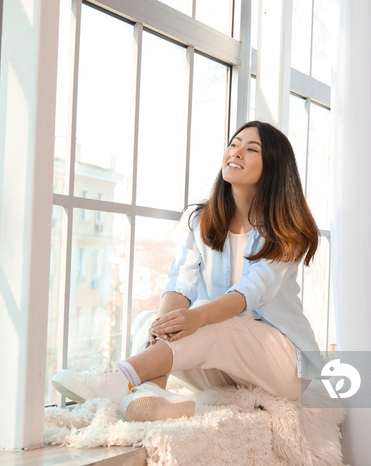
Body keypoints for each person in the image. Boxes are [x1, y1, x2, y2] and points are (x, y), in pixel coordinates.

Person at [52, 120, 326, 422]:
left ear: (273, 166)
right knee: (148, 321)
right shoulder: (199, 218)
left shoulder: (287, 228)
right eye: (233, 144)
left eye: (251, 149)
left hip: (284, 368)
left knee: (210, 315)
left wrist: (196, 317)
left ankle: (122, 375)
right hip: (223, 368)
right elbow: (181, 281)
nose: (236, 153)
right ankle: (153, 392)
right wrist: (162, 326)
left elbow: (255, 289)